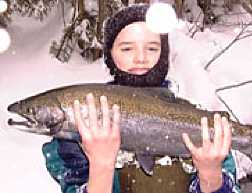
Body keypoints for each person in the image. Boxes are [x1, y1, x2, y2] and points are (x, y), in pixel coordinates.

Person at [42, 4, 241, 193]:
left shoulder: (201, 124)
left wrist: (210, 175)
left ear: (164, 54)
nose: (141, 58)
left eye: (152, 48)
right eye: (127, 48)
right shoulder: (75, 133)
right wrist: (101, 166)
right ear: (110, 54)